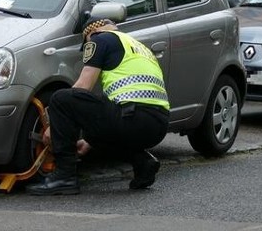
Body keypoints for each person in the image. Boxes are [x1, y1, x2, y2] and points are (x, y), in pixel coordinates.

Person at [26, 18, 170, 195]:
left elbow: (83, 86)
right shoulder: (137, 46)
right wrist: (91, 140)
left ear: (90, 34)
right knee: (97, 125)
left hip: (131, 117)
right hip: (157, 126)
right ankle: (142, 162)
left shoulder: (99, 39)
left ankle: (64, 177)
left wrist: (54, 126)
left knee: (62, 99)